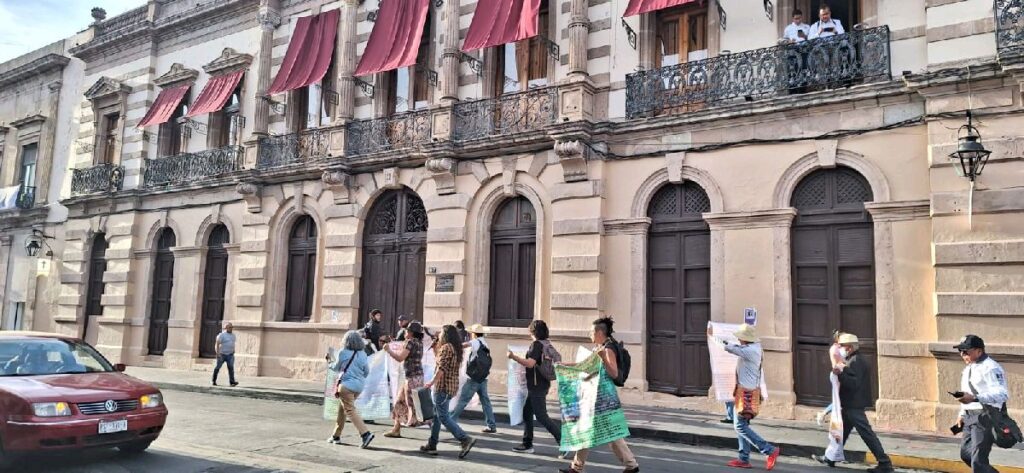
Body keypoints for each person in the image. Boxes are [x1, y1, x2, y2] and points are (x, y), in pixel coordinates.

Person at [558, 317, 640, 473]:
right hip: (596, 396)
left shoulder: (608, 349)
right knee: (593, 430)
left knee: (606, 432)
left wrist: (603, 357)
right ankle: (578, 467)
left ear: (599, 332)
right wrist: (564, 365)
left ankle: (631, 465)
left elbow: (614, 373)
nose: (589, 334)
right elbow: (585, 365)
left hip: (602, 398)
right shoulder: (601, 347)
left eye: (591, 331)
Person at [814, 333, 893, 472]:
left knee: (867, 434)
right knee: (841, 433)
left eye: (842, 346)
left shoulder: (855, 361)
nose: (840, 349)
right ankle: (830, 457)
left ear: (849, 348)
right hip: (850, 404)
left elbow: (853, 383)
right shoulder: (855, 359)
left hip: (853, 405)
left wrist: (840, 373)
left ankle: (885, 463)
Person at [708, 323, 781, 470]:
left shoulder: (750, 351)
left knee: (739, 426)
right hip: (745, 391)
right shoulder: (753, 348)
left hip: (746, 394)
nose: (739, 340)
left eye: (741, 338)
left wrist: (712, 337)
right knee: (742, 426)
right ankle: (743, 458)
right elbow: (735, 346)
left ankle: (769, 450)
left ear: (746, 339)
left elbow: (729, 348)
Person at [420, 324, 477, 458]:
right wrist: (435, 349)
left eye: (440, 334)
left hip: (443, 387)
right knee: (437, 416)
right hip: (450, 386)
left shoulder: (446, 348)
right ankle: (432, 444)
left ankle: (465, 439)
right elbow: (442, 362)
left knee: (443, 417)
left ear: (445, 335)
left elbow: (441, 368)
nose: (438, 336)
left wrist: (431, 382)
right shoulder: (455, 348)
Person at [507, 320, 564, 456]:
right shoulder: (546, 344)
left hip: (537, 386)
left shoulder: (536, 345)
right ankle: (527, 443)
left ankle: (563, 442)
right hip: (542, 384)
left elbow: (530, 363)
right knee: (527, 412)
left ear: (533, 332)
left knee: (541, 416)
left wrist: (513, 357)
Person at [953, 334, 1009, 472]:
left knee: (978, 460)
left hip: (985, 417)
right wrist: (961, 414)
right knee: (966, 455)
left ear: (979, 351)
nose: (962, 354)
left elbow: (1002, 394)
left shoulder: (991, 368)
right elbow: (966, 394)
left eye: (966, 351)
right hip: (969, 416)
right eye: (960, 350)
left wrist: (975, 398)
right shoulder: (968, 368)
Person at [327, 330, 375, 448]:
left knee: (349, 410)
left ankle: (365, 434)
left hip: (346, 386)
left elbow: (336, 368)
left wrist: (329, 361)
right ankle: (336, 436)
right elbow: (366, 372)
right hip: (359, 387)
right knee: (342, 409)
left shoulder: (343, 352)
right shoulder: (363, 354)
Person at [452, 323, 498, 433]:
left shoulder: (476, 342)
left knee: (463, 400)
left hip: (473, 378)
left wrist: (453, 343)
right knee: (485, 401)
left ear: (474, 334)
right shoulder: (485, 343)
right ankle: (491, 425)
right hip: (483, 377)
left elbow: (463, 345)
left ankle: (450, 421)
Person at [383, 321, 425, 438]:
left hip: (411, 378)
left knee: (413, 404)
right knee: (400, 402)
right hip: (417, 376)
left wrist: (388, 350)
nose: (405, 332)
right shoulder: (419, 343)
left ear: (411, 333)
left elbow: (400, 358)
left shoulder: (410, 343)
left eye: (407, 330)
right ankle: (396, 429)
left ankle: (429, 425)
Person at [816, 330, 847, 425]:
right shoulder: (835, 349)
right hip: (837, 375)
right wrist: (844, 364)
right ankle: (823, 414)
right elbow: (836, 363)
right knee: (839, 399)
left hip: (841, 374)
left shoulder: (840, 348)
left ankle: (827, 415)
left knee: (841, 399)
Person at [212, 322, 238, 387]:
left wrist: (233, 350)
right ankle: (214, 380)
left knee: (231, 368)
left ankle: (232, 382)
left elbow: (232, 343)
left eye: (232, 327)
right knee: (217, 367)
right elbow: (217, 344)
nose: (231, 328)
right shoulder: (222, 335)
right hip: (222, 354)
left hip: (230, 355)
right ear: (226, 328)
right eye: (230, 327)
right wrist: (218, 353)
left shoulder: (233, 335)